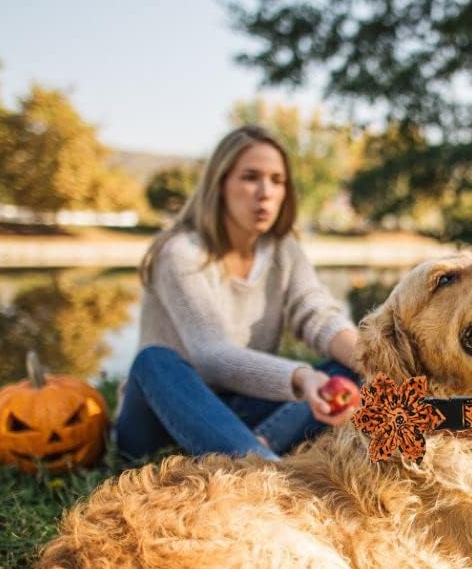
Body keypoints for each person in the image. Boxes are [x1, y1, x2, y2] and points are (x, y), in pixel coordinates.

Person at [113, 125, 360, 461]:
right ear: (220, 183)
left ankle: (247, 451)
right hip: (161, 416)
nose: (266, 192)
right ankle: (260, 465)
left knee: (348, 369)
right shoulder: (181, 252)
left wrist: (380, 361)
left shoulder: (284, 251)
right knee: (153, 360)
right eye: (250, 177)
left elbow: (317, 315)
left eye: (277, 180)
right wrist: (302, 378)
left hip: (238, 409)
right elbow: (211, 355)